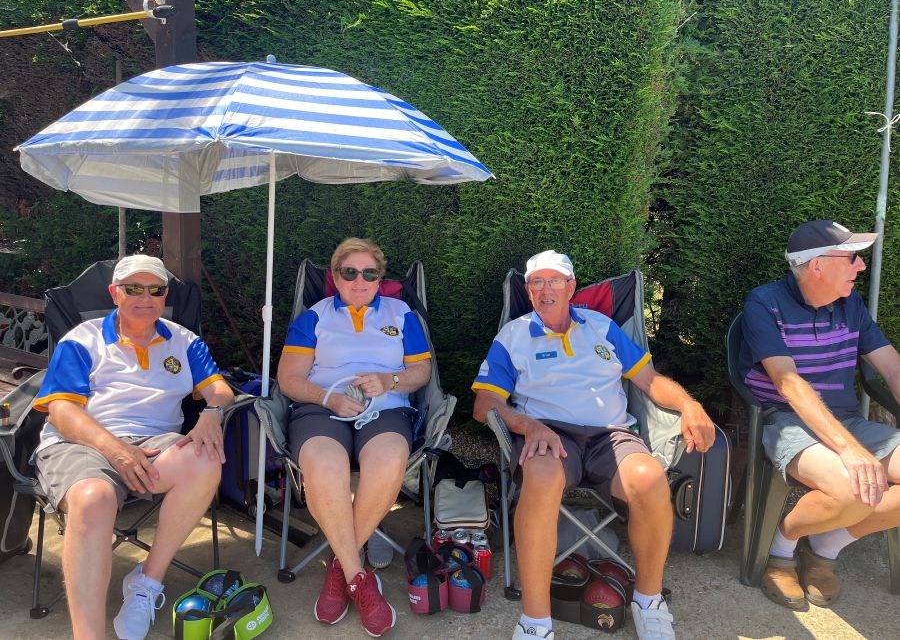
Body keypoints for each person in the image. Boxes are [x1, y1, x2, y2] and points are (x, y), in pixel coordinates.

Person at [472, 250, 715, 640]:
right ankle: (535, 620)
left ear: (571, 287)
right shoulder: (513, 335)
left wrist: (689, 404)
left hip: (610, 435)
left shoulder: (603, 327)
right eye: (537, 282)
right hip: (550, 435)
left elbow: (649, 380)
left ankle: (648, 601)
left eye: (555, 281)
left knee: (650, 479)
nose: (546, 290)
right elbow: (485, 404)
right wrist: (527, 425)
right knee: (541, 478)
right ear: (528, 290)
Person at [32, 255, 234, 640]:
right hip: (83, 441)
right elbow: (61, 410)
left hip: (155, 444)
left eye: (156, 290)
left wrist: (213, 412)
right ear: (115, 293)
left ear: (165, 295)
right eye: (134, 289)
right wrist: (115, 450)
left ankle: (146, 582)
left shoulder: (184, 341)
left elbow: (219, 389)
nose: (146, 298)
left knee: (205, 458)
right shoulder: (83, 339)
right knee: (93, 499)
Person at [740, 220, 900, 609]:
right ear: (817, 265)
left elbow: (892, 368)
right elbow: (789, 384)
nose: (861, 266)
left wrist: (850, 442)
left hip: (846, 420)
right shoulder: (764, 303)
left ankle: (826, 545)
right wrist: (849, 449)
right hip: (787, 422)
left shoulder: (851, 304)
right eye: (851, 258)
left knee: (858, 489)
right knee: (853, 490)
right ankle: (781, 547)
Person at [277, 237, 432, 637]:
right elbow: (289, 379)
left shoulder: (402, 314)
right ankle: (358, 576)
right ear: (335, 276)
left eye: (369, 273)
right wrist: (328, 398)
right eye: (350, 273)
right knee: (323, 466)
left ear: (380, 278)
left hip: (386, 407)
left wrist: (389, 380)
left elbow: (421, 373)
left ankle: (341, 570)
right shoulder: (314, 317)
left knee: (390, 459)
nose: (359, 281)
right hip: (321, 407)